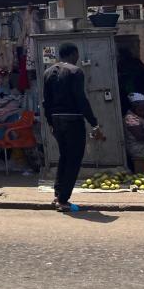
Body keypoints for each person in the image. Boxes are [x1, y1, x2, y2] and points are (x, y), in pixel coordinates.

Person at [43, 42, 104, 213]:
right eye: (76, 55)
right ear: (72, 54)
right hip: (73, 119)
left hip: (56, 120)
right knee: (74, 159)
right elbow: (81, 99)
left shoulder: (48, 72)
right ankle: (63, 200)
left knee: (64, 156)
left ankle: (57, 194)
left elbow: (45, 101)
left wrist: (50, 122)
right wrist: (94, 122)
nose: (77, 58)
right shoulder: (75, 71)